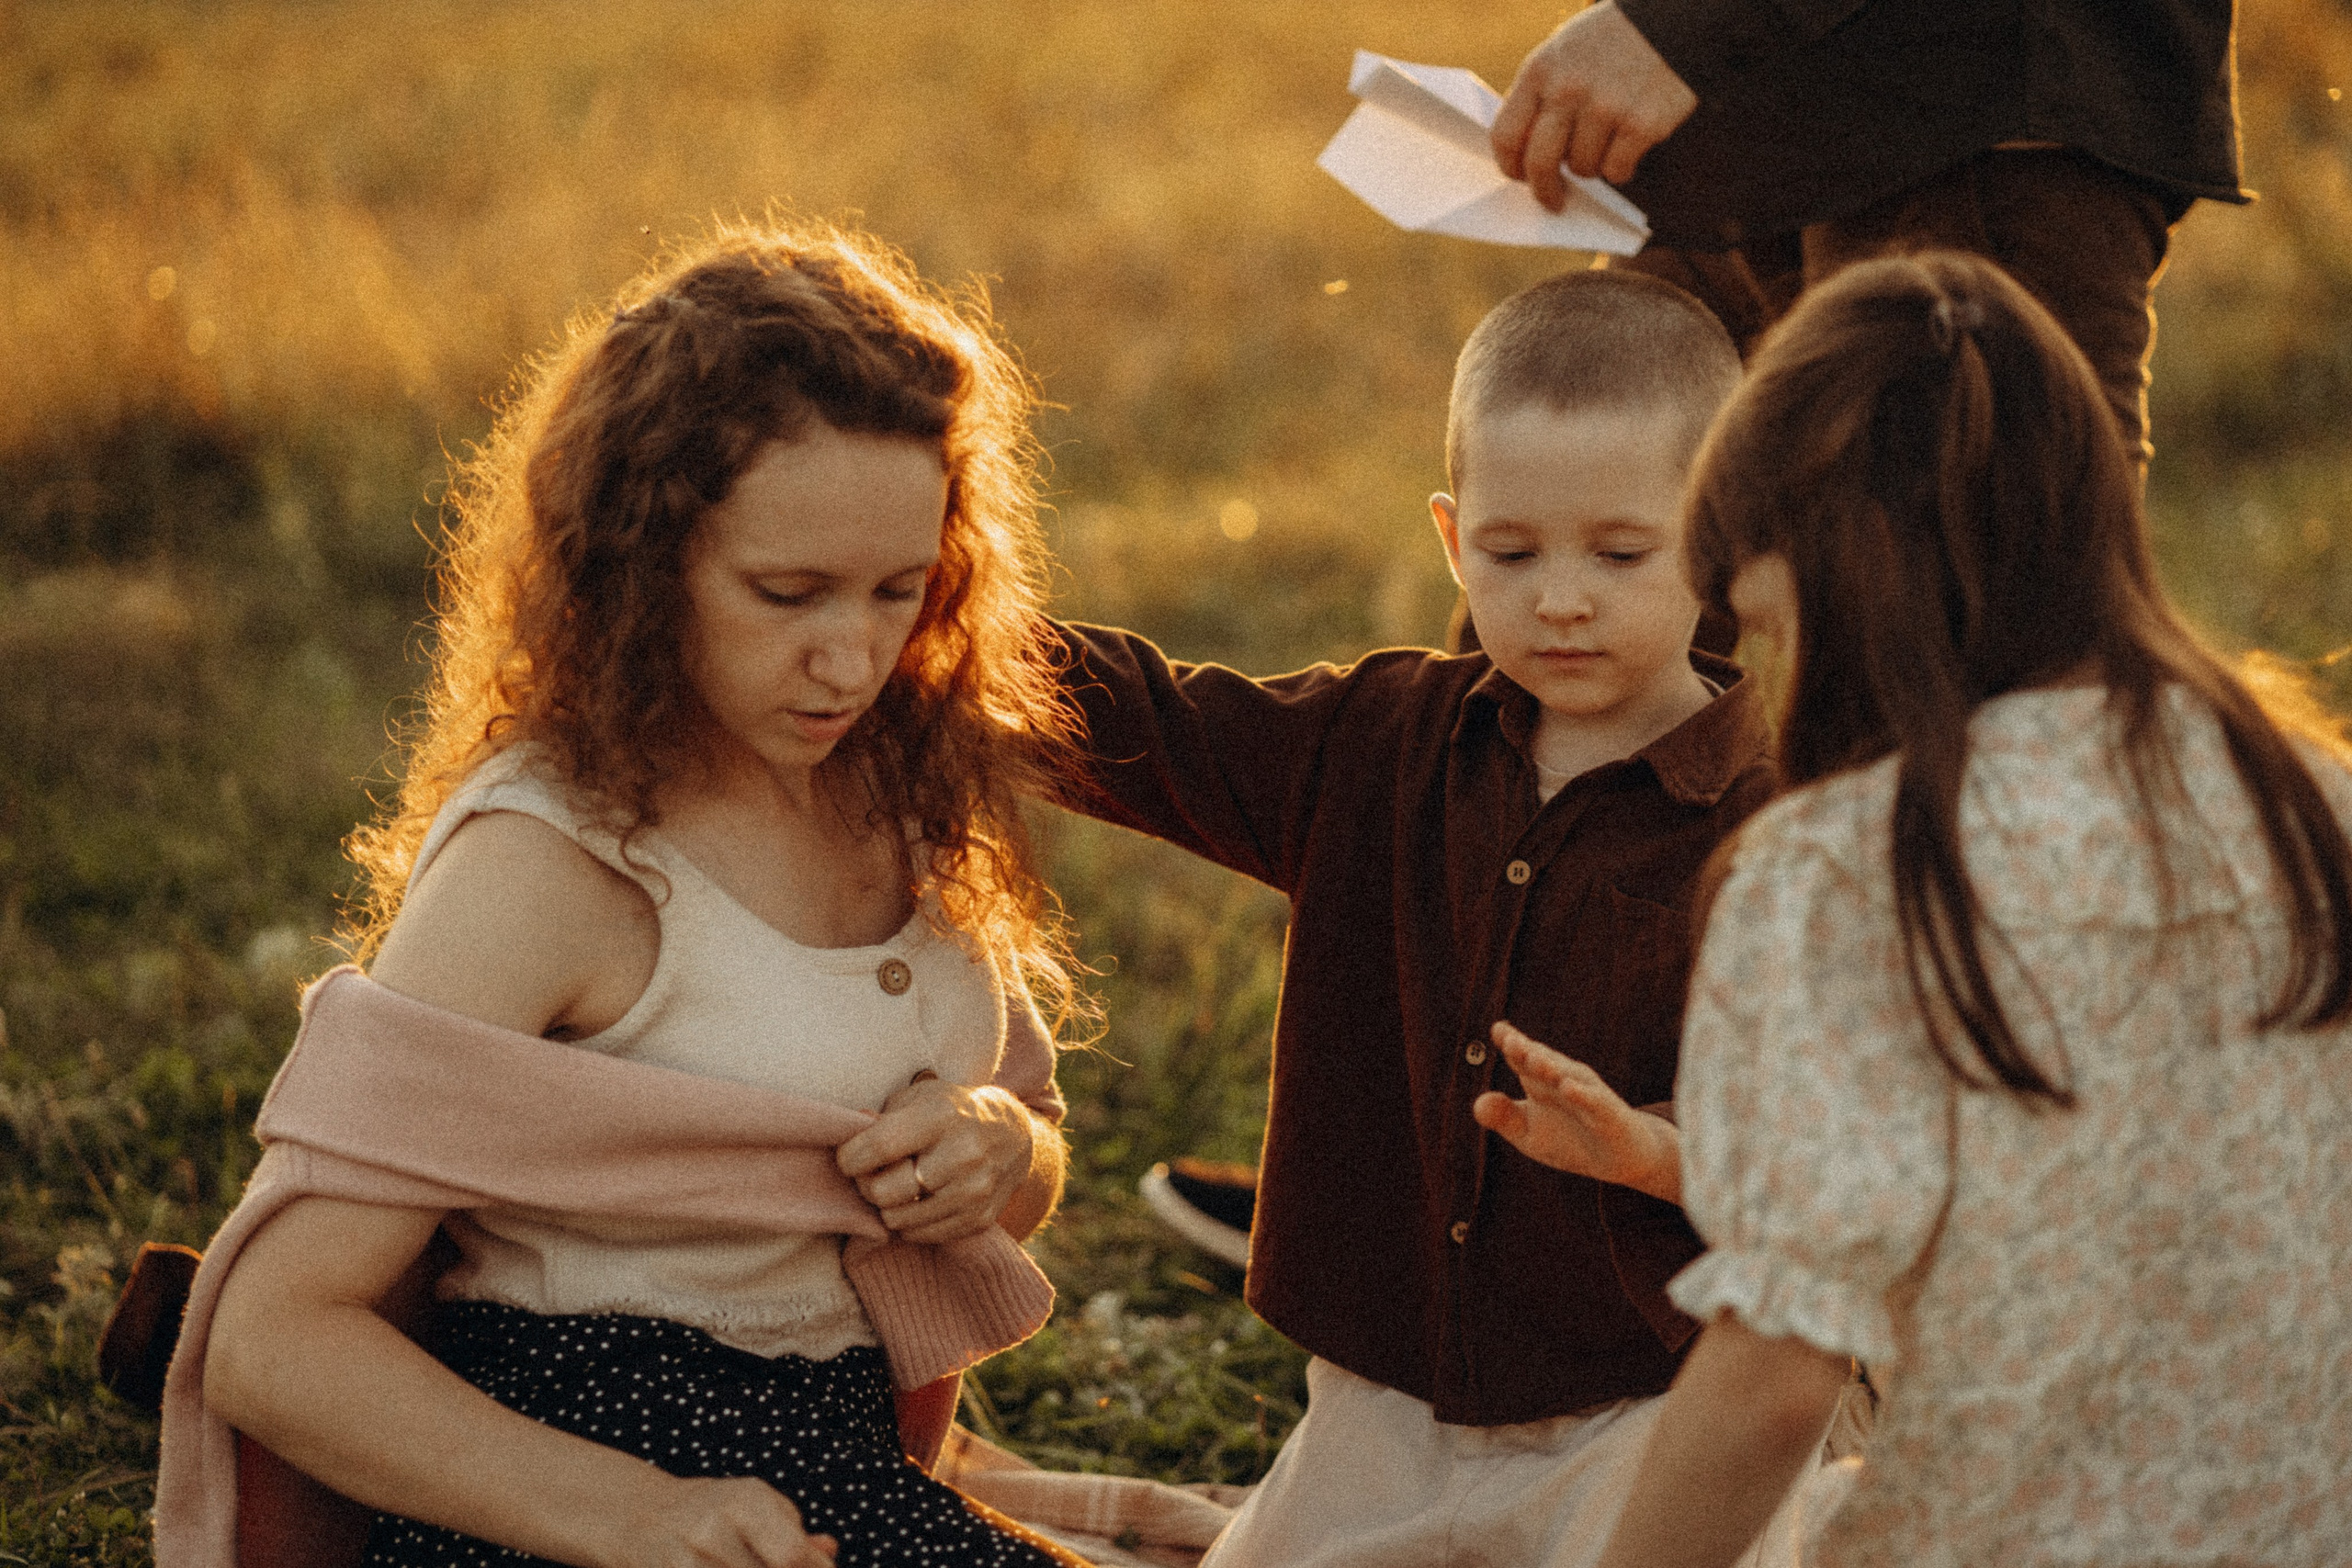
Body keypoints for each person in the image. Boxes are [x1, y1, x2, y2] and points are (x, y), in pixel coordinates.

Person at [192, 222, 1088, 1568]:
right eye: (786, 592)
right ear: (642, 555)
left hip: (836, 1460)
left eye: (900, 588)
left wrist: (999, 1149)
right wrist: (632, 1513)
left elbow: (1017, 1155)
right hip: (565, 1477)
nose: (850, 655)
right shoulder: (552, 860)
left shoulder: (903, 790)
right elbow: (273, 1336)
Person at [1481, 250, 2352, 1566]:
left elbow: (1774, 1379)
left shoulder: (1845, 868)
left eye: (1772, 631)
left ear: (1856, 587)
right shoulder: (2312, 795)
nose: (1769, 686)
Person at [1050, 270, 1816, 1566]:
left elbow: (1820, 1145)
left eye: (1619, 552)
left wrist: (1647, 1145)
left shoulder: (1783, 818)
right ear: (1455, 542)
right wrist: (937, 630)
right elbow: (1164, 723)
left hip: (1644, 1404)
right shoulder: (1386, 736)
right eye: (1513, 553)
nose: (1560, 596)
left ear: (1723, 538)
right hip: (1387, 1395)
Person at [1488, 0, 2242, 468]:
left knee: (1967, 666)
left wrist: (1682, 22)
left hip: (1970, 128)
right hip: (1723, 140)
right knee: (1556, 641)